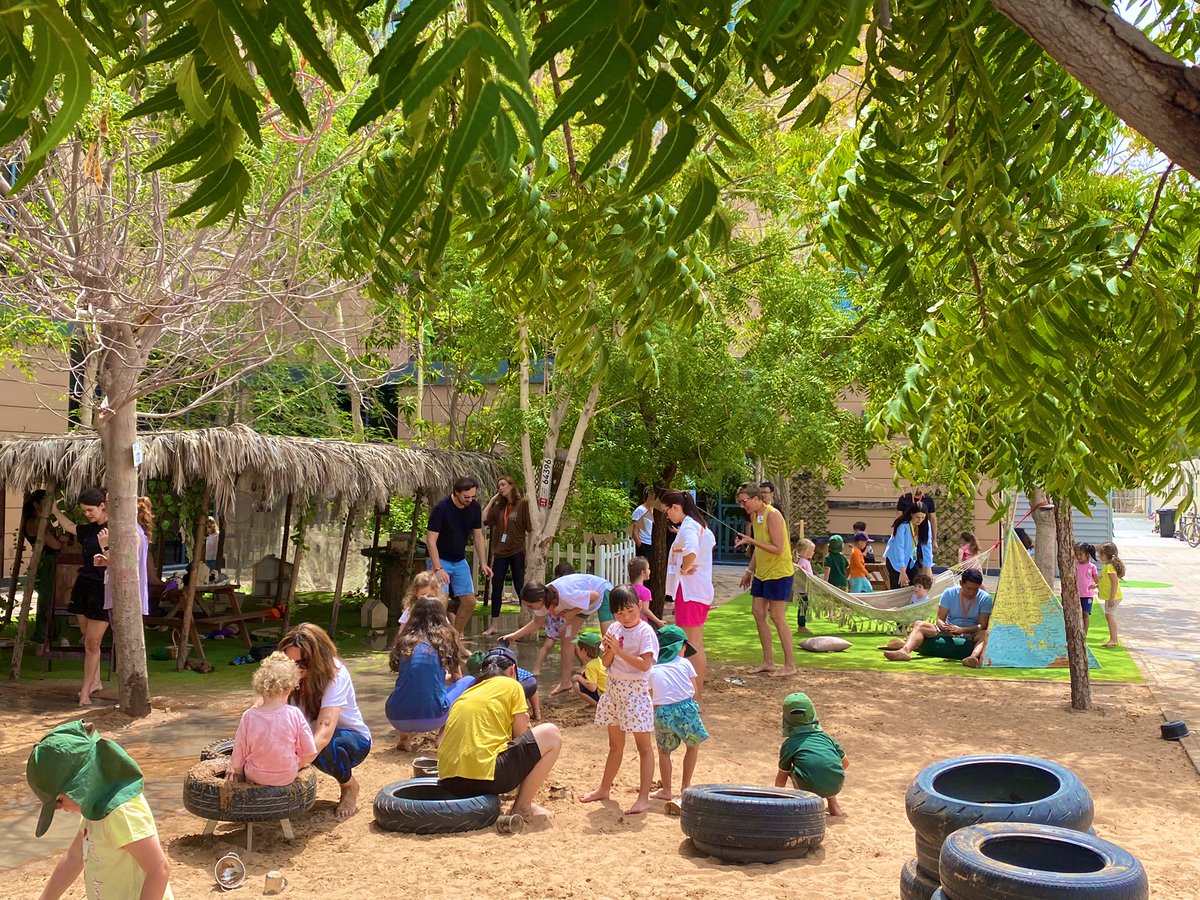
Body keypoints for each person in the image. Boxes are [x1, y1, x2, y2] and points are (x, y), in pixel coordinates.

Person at [27, 720, 173, 899]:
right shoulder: (95, 809)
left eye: (59, 801)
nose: (61, 809)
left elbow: (159, 869)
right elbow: (74, 857)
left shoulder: (121, 813)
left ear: (79, 784)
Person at [438, 646, 563, 822]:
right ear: (512, 670)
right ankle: (523, 807)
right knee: (551, 734)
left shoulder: (469, 691)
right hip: (486, 777)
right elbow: (519, 737)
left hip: (449, 781)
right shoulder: (512, 685)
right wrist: (526, 723)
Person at [278, 623, 371, 819]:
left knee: (321, 747)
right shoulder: (284, 674)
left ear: (318, 659)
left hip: (348, 739)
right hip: (308, 735)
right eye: (289, 662)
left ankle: (349, 786)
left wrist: (292, 767)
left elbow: (325, 729)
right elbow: (260, 708)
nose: (295, 669)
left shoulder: (336, 674)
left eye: (302, 663)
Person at [580, 587, 659, 815]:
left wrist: (619, 650)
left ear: (639, 606)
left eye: (629, 610)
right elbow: (605, 662)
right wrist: (611, 650)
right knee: (615, 746)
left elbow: (645, 665)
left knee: (644, 747)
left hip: (635, 693)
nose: (625, 617)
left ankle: (643, 797)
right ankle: (604, 788)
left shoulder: (646, 632)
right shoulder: (614, 628)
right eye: (619, 613)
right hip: (614, 690)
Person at [503, 571, 613, 694]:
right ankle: (565, 683)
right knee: (567, 635)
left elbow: (595, 596)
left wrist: (572, 612)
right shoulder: (543, 602)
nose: (529, 608)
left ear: (540, 599)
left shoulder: (566, 595)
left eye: (530, 605)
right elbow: (537, 623)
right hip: (581, 604)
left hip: (602, 593)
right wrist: (513, 636)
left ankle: (614, 678)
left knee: (609, 638)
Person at [385, 595, 470, 750]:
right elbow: (457, 678)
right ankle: (442, 738)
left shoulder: (405, 640)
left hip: (396, 716)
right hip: (433, 718)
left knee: (407, 686)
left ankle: (405, 737)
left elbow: (412, 675)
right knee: (468, 681)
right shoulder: (446, 640)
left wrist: (438, 679)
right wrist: (443, 679)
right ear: (441, 616)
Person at [50, 488, 109, 707]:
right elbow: (68, 526)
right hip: (84, 584)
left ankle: (85, 691)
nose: (87, 514)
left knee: (93, 642)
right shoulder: (88, 530)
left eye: (90, 510)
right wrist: (55, 510)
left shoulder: (114, 528)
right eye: (84, 511)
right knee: (86, 637)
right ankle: (95, 682)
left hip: (103, 588)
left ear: (103, 505)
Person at [228, 652, 317, 787]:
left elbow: (239, 751)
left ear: (260, 686)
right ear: (290, 688)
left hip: (256, 775)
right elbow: (310, 751)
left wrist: (239, 775)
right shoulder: (295, 714)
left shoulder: (249, 716)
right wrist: (298, 764)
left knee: (248, 757)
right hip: (287, 775)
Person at [735, 483, 796, 677]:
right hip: (762, 572)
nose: (743, 506)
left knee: (777, 616)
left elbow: (777, 548)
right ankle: (768, 662)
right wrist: (749, 570)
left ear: (756, 498)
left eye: (744, 501)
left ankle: (790, 665)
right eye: (740, 503)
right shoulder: (755, 516)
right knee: (757, 612)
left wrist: (751, 541)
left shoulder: (773, 515)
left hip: (780, 572)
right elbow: (760, 548)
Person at [662, 490, 716, 695]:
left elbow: (691, 550)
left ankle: (696, 696)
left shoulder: (688, 527)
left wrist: (685, 567)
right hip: (696, 592)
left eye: (668, 511)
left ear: (675, 507)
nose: (668, 516)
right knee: (693, 643)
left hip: (690, 592)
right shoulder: (698, 525)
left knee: (692, 644)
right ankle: (694, 694)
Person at [648, 625, 707, 808]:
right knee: (693, 746)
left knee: (664, 752)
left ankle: (666, 790)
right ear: (680, 646)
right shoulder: (685, 664)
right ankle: (685, 786)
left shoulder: (652, 668)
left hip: (662, 712)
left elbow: (650, 695)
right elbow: (694, 690)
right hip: (685, 709)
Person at [883, 569, 991, 667]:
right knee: (920, 624)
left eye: (975, 589)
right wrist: (944, 626)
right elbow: (939, 618)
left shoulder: (985, 598)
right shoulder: (949, 593)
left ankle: (972, 657)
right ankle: (904, 651)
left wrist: (962, 630)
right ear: (961, 583)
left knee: (985, 634)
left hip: (971, 632)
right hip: (948, 629)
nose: (971, 592)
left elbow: (982, 625)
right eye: (969, 588)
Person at [426, 476, 492, 633]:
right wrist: (438, 568)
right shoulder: (441, 509)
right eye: (466, 497)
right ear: (456, 492)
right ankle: (438, 638)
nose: (470, 500)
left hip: (459, 560)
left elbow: (478, 536)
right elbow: (430, 540)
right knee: (441, 600)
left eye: (473, 496)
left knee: (469, 602)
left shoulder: (475, 508)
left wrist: (483, 563)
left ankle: (455, 637)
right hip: (440, 559)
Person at [774, 692, 848, 817]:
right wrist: (826, 775)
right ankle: (834, 806)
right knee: (823, 768)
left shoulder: (790, 744)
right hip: (836, 784)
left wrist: (776, 798)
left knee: (791, 769)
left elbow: (782, 776)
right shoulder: (825, 738)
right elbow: (845, 763)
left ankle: (802, 802)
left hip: (809, 787)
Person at [481, 475, 530, 637]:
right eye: (498, 486)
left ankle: (525, 623)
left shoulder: (522, 504)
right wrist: (493, 499)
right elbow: (483, 518)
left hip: (516, 550)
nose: (500, 488)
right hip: (500, 552)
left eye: (503, 485)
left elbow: (529, 530)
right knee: (497, 588)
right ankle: (494, 624)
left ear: (511, 485)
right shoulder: (499, 507)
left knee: (519, 586)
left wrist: (528, 553)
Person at [96, 497, 153, 618]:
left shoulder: (130, 533)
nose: (104, 507)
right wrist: (106, 560)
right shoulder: (129, 530)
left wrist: (105, 547)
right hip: (123, 597)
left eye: (107, 502)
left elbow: (126, 564)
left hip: (126, 599)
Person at [22, 490, 65, 649]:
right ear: (36, 504)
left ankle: (47, 639)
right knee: (49, 601)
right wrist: (60, 540)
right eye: (47, 503)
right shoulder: (37, 522)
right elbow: (54, 544)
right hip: (48, 563)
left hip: (47, 562)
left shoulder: (38, 521)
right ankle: (42, 640)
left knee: (52, 600)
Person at [460, 649, 543, 721]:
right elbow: (531, 683)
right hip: (531, 681)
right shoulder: (500, 663)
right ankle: (537, 713)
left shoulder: (490, 676)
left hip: (519, 686)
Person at [883, 503, 933, 589]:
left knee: (915, 584)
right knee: (898, 586)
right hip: (895, 559)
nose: (920, 520)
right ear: (911, 514)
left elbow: (927, 545)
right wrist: (902, 571)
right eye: (917, 517)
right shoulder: (902, 526)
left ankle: (915, 602)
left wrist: (928, 567)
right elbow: (899, 548)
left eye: (923, 517)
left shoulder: (926, 524)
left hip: (911, 558)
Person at [1097, 541, 1125, 648]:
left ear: (1105, 555)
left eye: (1100, 554)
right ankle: (1113, 638)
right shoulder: (1108, 566)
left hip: (1113, 597)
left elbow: (1114, 581)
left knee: (1109, 616)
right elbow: (1106, 581)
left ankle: (1114, 639)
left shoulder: (1109, 567)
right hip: (1110, 597)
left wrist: (1112, 597)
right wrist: (1097, 585)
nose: (1099, 557)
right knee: (1108, 615)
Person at [571, 631, 607, 707]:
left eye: (578, 648)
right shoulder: (598, 660)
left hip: (604, 697)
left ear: (583, 651)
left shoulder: (590, 666)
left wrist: (578, 678)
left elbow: (592, 688)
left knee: (576, 685)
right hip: (608, 694)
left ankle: (597, 706)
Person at [628, 556, 665, 628]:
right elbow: (645, 610)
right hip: (640, 624)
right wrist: (658, 621)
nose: (649, 571)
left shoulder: (627, 589)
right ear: (643, 572)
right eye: (648, 569)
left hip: (628, 621)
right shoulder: (645, 591)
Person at [897, 486, 937, 551]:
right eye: (916, 485)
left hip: (923, 533)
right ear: (911, 485)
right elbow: (898, 518)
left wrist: (934, 540)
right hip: (907, 533)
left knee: (924, 554)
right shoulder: (904, 498)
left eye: (920, 485)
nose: (918, 488)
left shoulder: (928, 499)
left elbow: (933, 519)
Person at [1074, 542, 1099, 636]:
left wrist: (1095, 586)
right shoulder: (1075, 565)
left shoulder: (1092, 567)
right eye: (1077, 555)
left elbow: (1097, 581)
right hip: (1076, 594)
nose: (1078, 557)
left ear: (1087, 555)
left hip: (1087, 595)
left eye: (1081, 554)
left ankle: (1085, 633)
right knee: (1077, 613)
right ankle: (1078, 631)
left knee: (1085, 614)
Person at [795, 538, 816, 634]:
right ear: (805, 551)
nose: (813, 552)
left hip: (806, 589)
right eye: (811, 550)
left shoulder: (805, 561)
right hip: (803, 589)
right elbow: (802, 574)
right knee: (803, 607)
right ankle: (801, 626)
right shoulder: (803, 562)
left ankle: (802, 625)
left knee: (804, 607)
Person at [630, 488, 657, 559]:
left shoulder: (655, 510)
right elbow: (633, 530)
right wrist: (640, 546)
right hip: (644, 543)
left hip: (653, 543)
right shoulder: (640, 510)